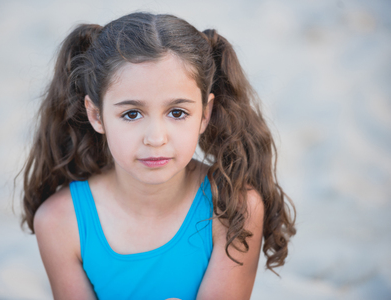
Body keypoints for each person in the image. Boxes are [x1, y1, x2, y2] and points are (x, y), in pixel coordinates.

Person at [19, 12, 296, 300]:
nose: (155, 138)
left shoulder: (233, 209)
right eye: (131, 114)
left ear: (205, 114)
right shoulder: (60, 222)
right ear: (96, 115)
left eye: (177, 113)